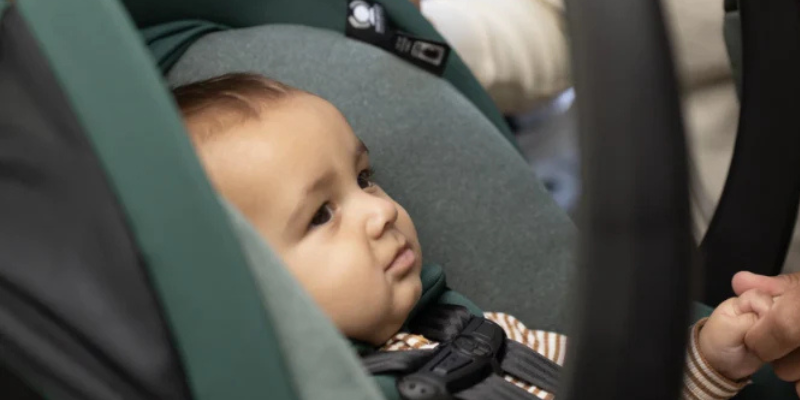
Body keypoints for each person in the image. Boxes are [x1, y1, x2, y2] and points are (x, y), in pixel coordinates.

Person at [173, 72, 772, 400]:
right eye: (321, 215)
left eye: (365, 178)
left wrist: (706, 361)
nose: (379, 213)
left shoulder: (482, 332)